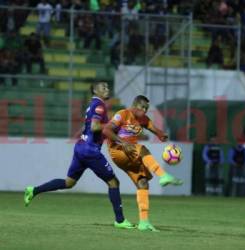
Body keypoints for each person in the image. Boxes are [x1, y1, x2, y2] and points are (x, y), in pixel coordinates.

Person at [24, 82, 134, 229]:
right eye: (104, 88)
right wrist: (114, 130)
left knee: (69, 182)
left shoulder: (92, 105)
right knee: (113, 182)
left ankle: (33, 190)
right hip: (91, 152)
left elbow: (89, 127)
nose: (107, 89)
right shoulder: (100, 106)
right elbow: (95, 127)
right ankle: (120, 221)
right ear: (95, 91)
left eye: (108, 87)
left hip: (81, 148)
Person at [103, 95, 183, 232]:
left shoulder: (143, 119)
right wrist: (122, 142)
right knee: (143, 149)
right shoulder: (122, 114)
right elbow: (106, 130)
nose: (144, 111)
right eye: (142, 107)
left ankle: (144, 222)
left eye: (146, 108)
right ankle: (162, 175)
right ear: (135, 106)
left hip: (131, 154)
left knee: (143, 182)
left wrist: (160, 134)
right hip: (118, 151)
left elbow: (153, 128)